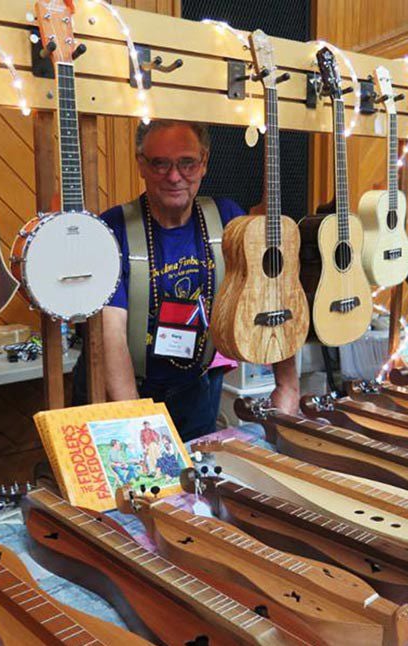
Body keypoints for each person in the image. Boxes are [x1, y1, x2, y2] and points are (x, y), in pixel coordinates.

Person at [76, 120, 299, 440]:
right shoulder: (113, 228)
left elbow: (271, 298)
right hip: (122, 389)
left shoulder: (227, 219)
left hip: (195, 390)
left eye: (187, 163)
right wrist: (138, 427)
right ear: (141, 164)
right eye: (160, 163)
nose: (174, 176)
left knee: (197, 471)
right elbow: (110, 332)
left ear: (204, 162)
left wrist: (287, 384)